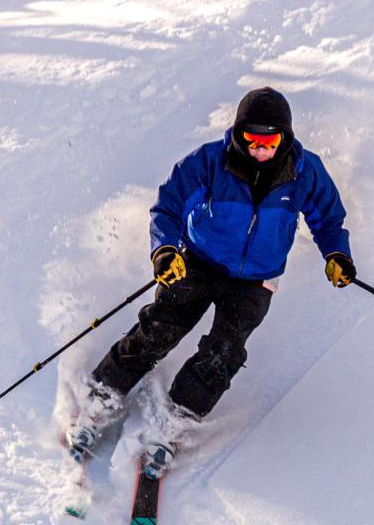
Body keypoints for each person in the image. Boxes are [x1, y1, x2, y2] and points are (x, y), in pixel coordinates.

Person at [69, 89, 356, 455]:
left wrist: (337, 254)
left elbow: (329, 218)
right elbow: (168, 206)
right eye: (252, 139)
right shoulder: (210, 161)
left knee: (224, 353)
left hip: (257, 279)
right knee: (160, 329)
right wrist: (165, 250)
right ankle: (99, 402)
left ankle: (172, 423)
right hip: (200, 260)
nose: (260, 149)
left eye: (271, 141)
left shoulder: (305, 171)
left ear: (286, 137)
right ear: (238, 134)